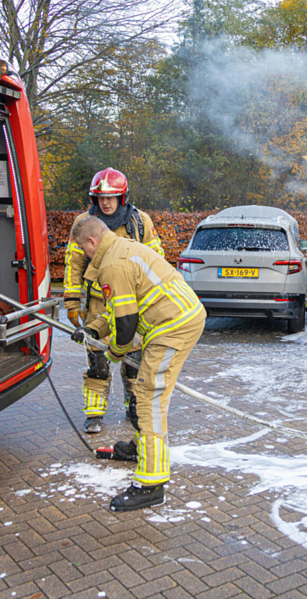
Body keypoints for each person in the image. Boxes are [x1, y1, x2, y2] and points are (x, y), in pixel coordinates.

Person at [69, 215, 206, 511]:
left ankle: (151, 484)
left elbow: (127, 324)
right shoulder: (120, 248)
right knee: (147, 392)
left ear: (93, 241)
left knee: (148, 397)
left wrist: (113, 353)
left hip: (173, 326)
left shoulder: (112, 265)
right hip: (177, 318)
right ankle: (140, 445)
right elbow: (122, 306)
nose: (84, 254)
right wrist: (93, 329)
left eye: (83, 247)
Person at [63, 167, 165, 433]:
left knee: (134, 361)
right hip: (98, 304)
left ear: (123, 197)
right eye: (100, 197)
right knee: (98, 362)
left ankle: (134, 409)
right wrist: (72, 301)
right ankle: (95, 415)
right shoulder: (83, 223)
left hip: (133, 304)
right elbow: (73, 263)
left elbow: (156, 260)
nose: (105, 202)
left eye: (111, 197)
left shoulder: (139, 222)